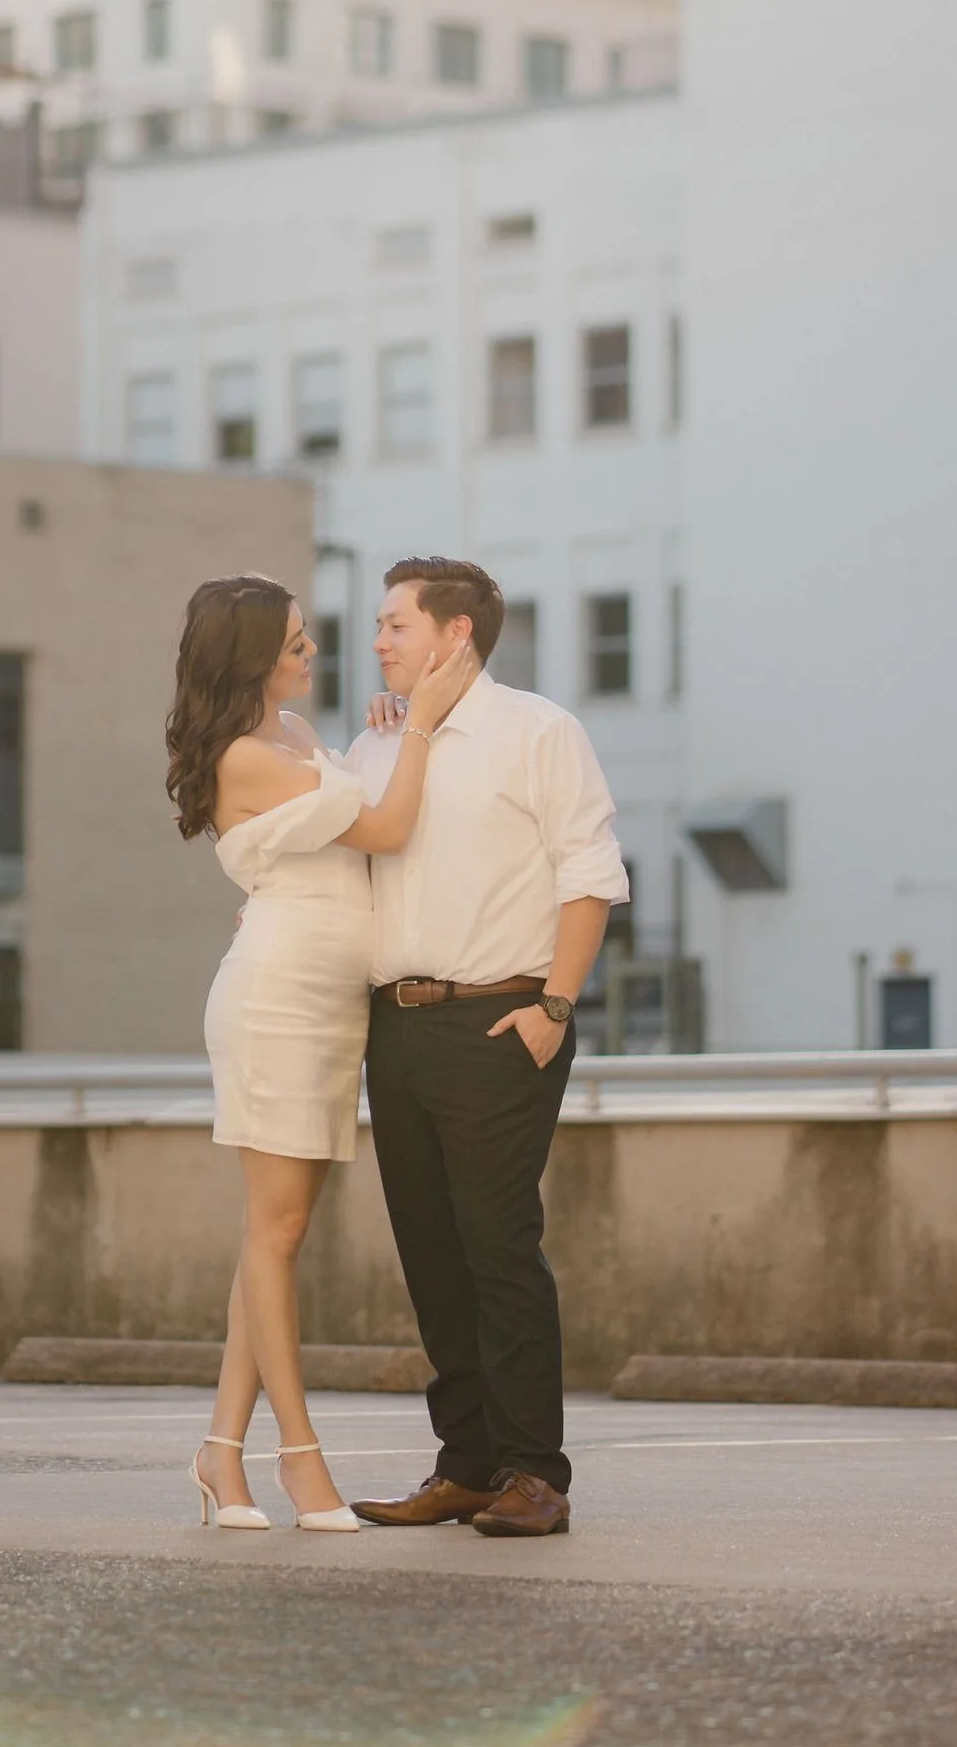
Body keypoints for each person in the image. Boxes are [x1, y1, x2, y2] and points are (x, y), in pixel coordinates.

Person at [165, 572, 476, 1534]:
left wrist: (382, 734)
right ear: (251, 652)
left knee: (274, 1233)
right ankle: (301, 1460)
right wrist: (419, 721)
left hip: (334, 1002)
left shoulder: (298, 739)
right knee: (278, 1235)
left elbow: (354, 819)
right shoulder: (242, 755)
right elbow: (383, 826)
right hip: (279, 1000)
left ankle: (221, 1455)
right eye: (296, 641)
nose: (313, 653)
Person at [345, 556, 627, 1538]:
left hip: (500, 1019)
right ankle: (464, 1465)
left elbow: (589, 872)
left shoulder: (538, 732)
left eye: (393, 625)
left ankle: (531, 1474)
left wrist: (554, 1004)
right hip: (396, 1027)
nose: (376, 640)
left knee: (498, 1248)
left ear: (453, 634)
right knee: (430, 1255)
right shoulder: (375, 745)